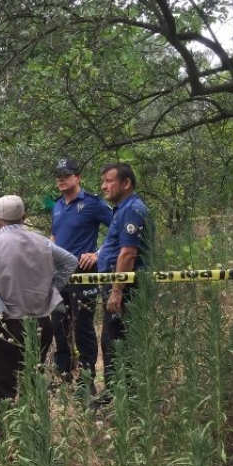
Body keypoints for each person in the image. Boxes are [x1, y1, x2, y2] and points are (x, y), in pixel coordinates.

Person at [0, 195, 77, 435]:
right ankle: (33, 435)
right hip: (43, 323)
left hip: (8, 324)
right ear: (23, 218)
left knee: (3, 384)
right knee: (32, 378)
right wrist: (52, 288)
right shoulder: (42, 242)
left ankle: (8, 441)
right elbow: (70, 261)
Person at [80, 162, 150, 402]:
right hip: (116, 282)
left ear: (126, 183)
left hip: (125, 286)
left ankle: (122, 396)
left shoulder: (132, 209)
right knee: (111, 337)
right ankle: (115, 392)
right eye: (103, 181)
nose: (103, 186)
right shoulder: (122, 209)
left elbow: (128, 253)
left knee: (118, 340)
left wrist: (117, 290)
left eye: (109, 180)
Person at [49, 158, 113, 392]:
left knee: (83, 326)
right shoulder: (56, 205)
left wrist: (98, 253)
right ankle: (63, 376)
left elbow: (117, 229)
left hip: (83, 273)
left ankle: (87, 381)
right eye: (58, 175)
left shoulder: (92, 204)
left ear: (78, 177)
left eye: (66, 174)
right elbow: (54, 239)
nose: (61, 179)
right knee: (59, 325)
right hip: (60, 276)